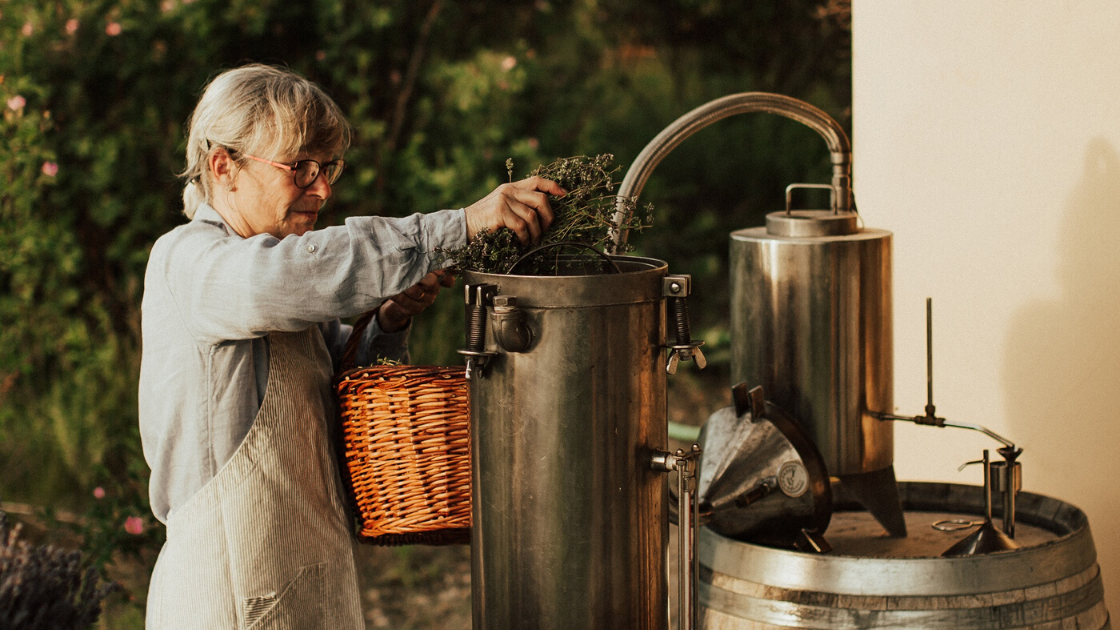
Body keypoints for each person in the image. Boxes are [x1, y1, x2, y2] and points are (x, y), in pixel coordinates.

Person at [137, 64, 561, 629]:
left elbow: (339, 399)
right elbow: (291, 278)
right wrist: (457, 227)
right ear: (224, 167)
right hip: (229, 598)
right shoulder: (190, 261)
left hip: (310, 588)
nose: (323, 188)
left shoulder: (273, 273)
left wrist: (387, 320)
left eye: (327, 166)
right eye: (301, 168)